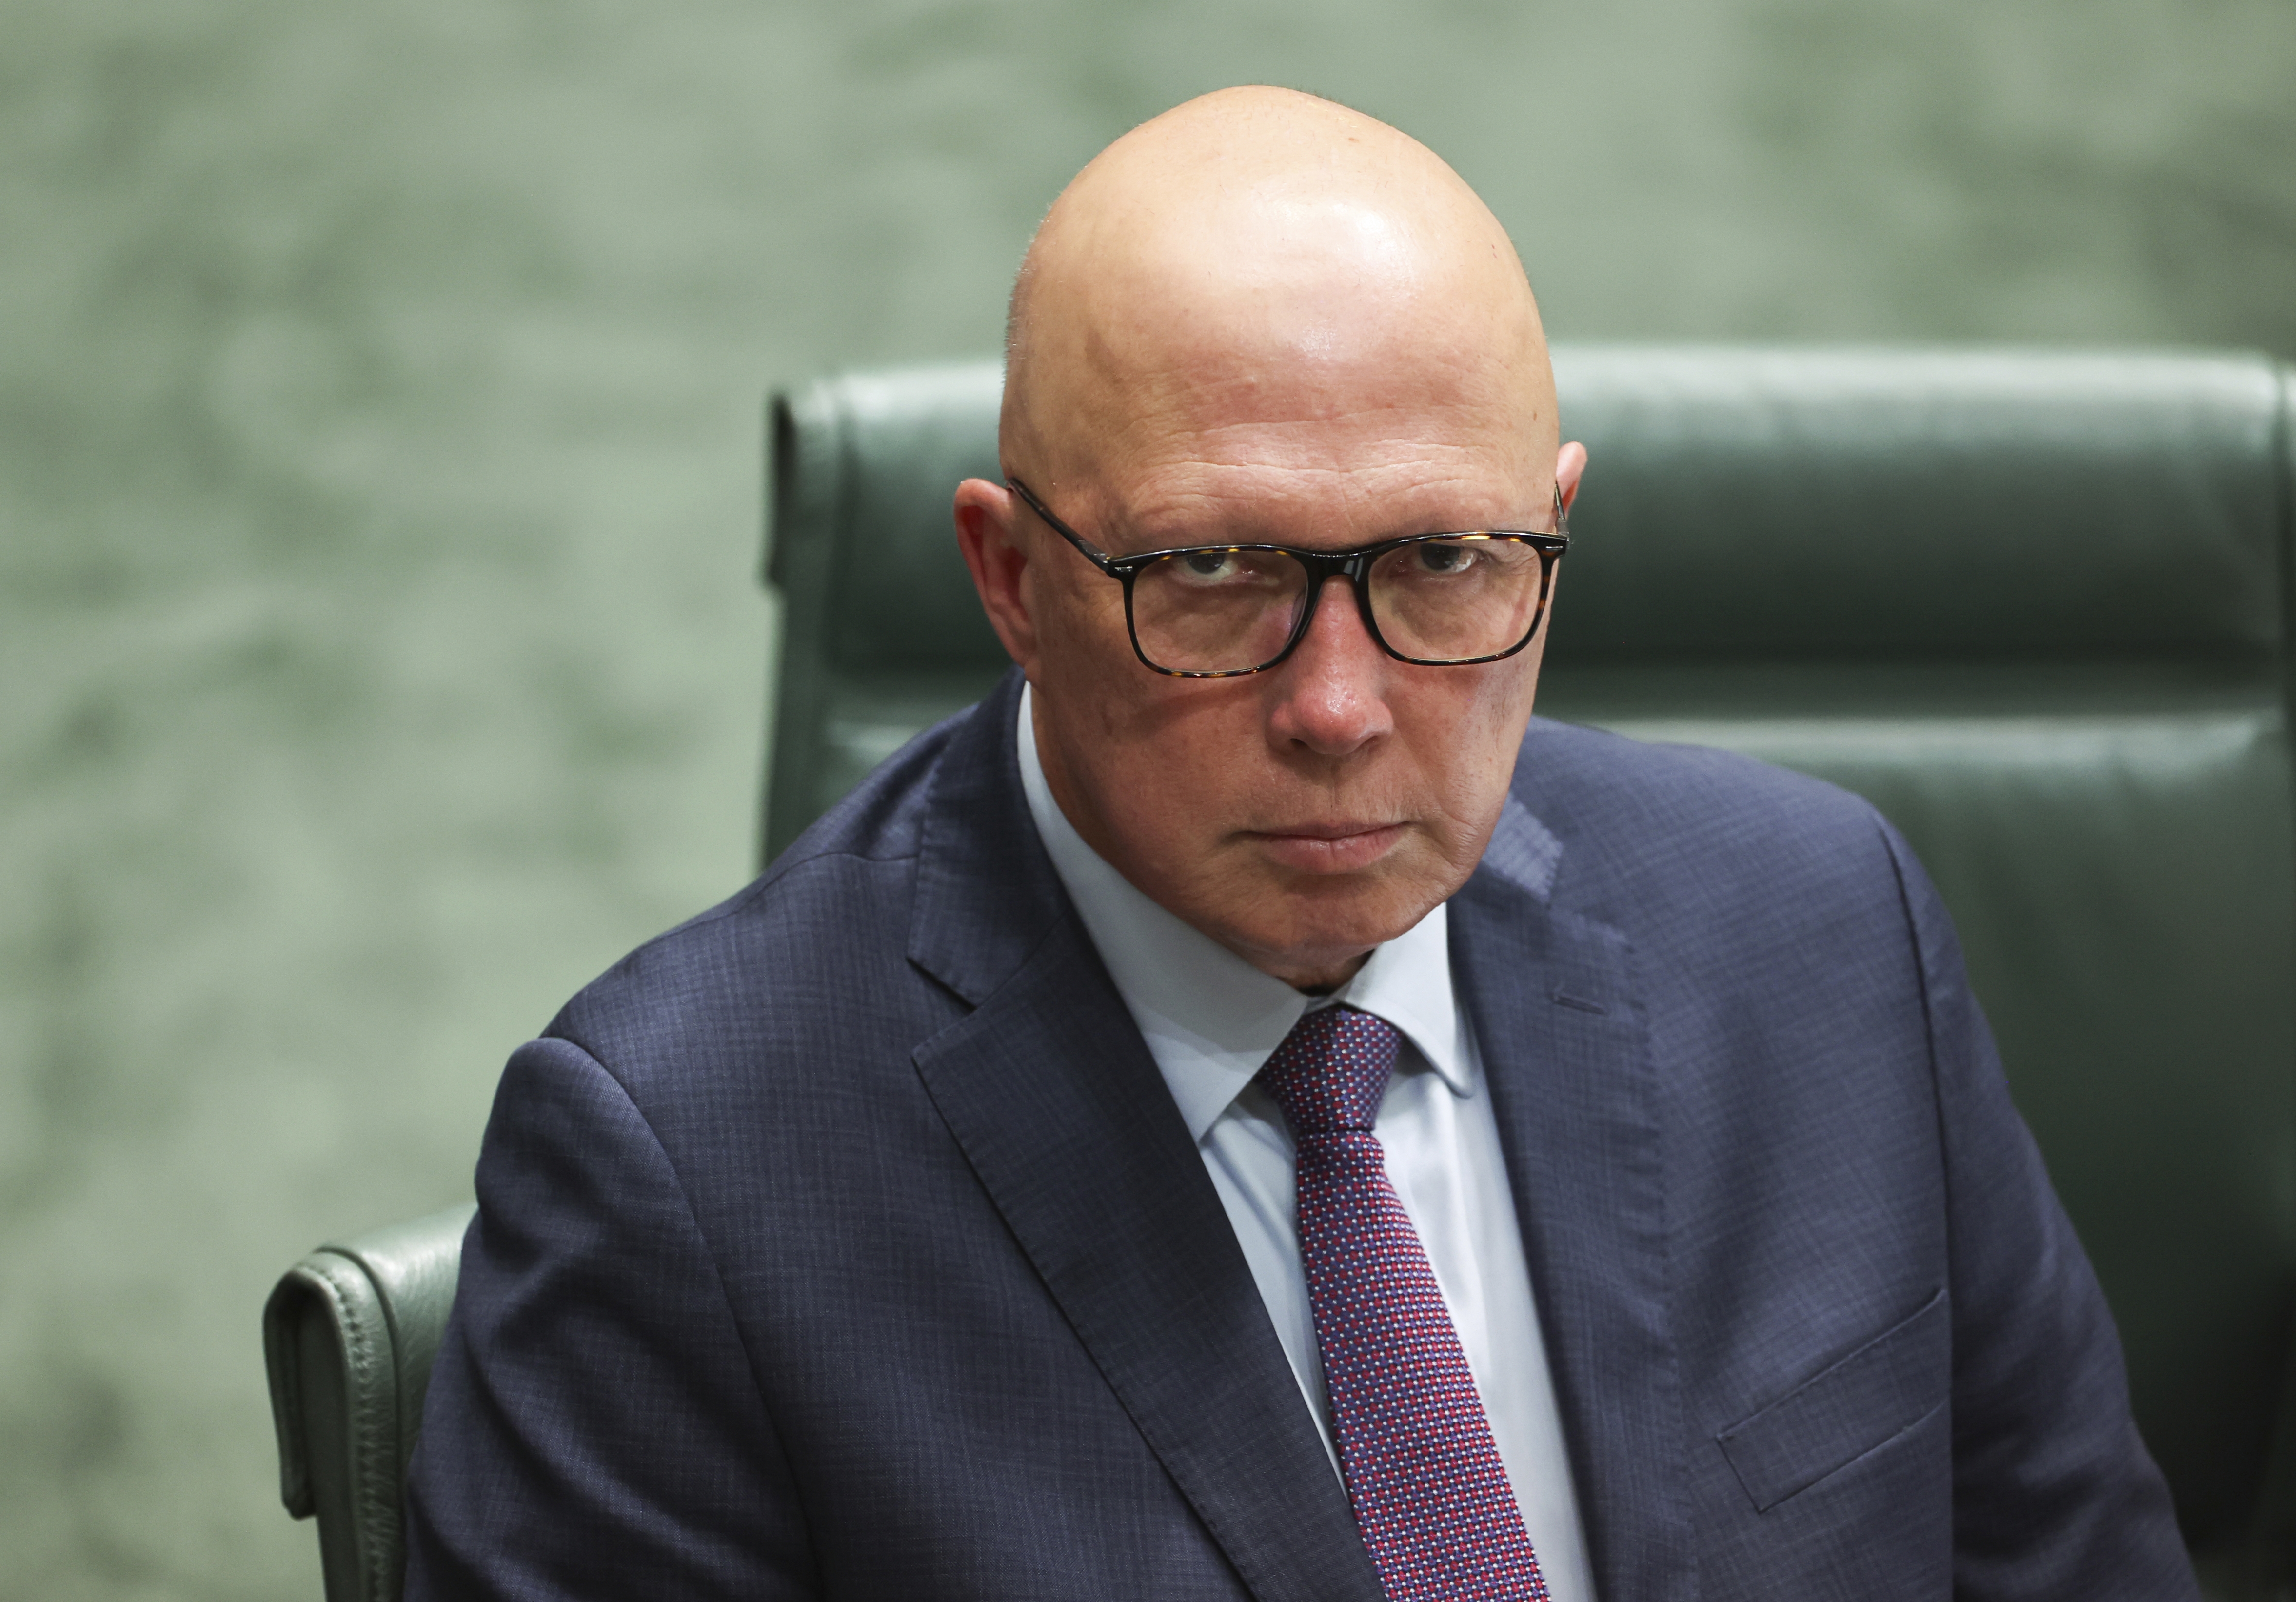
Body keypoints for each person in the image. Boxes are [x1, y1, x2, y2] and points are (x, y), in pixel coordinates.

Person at [405, 87, 2197, 1601]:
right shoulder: (682, 1172)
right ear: (1012, 581)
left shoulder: (1825, 937)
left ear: (1549, 533)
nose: (1338, 706)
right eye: (1211, 571)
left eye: (1437, 562)